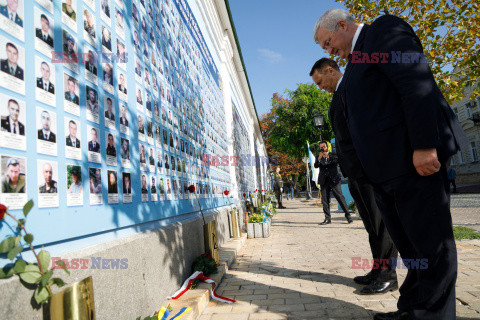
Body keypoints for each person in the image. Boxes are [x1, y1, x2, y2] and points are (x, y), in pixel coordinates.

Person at [313, 9, 467, 320]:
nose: (329, 51)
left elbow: (415, 85)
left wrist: (424, 146)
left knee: (430, 247)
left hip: (412, 162)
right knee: (411, 249)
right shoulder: (356, 60)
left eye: (328, 43)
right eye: (324, 48)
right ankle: (412, 309)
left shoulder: (383, 31)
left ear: (342, 25)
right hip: (385, 172)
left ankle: (433, 315)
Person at [310, 58, 398, 295]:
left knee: (381, 224)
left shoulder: (352, 87)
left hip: (369, 168)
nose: (320, 87)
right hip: (355, 171)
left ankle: (389, 275)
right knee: (371, 224)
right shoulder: (339, 95)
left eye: (320, 82)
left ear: (330, 70)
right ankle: (378, 270)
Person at [314, 141, 352, 224]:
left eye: (323, 146)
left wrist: (327, 156)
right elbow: (315, 166)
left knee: (339, 197)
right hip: (324, 181)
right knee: (325, 200)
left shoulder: (333, 154)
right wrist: (319, 159)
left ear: (327, 147)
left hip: (334, 179)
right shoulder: (318, 156)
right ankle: (327, 218)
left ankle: (348, 216)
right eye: (321, 147)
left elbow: (335, 162)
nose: (322, 148)